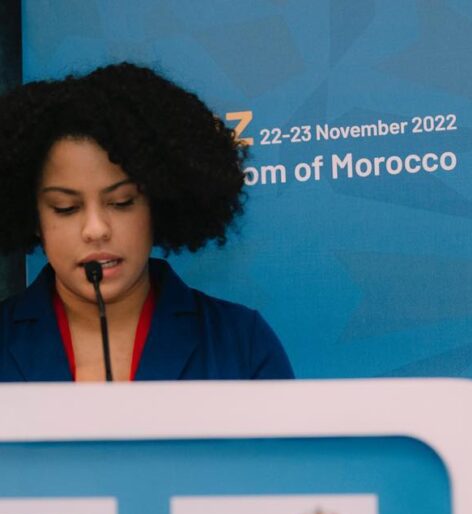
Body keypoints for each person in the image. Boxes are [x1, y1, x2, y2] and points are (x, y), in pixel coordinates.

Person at [0, 63, 293, 381]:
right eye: (66, 208)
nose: (96, 229)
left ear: (158, 203)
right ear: (34, 218)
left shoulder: (243, 345)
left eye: (122, 202)